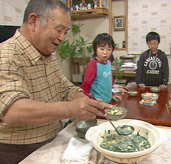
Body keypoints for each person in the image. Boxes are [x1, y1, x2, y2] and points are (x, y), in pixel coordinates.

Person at [0, 1, 112, 164]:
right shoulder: (6, 55)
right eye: (59, 30)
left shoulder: (47, 56)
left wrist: (86, 102)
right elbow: (12, 110)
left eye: (65, 32)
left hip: (54, 138)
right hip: (20, 150)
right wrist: (70, 109)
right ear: (33, 21)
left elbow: (65, 88)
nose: (62, 38)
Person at [81, 33, 122, 103]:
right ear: (95, 49)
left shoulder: (108, 63)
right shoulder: (93, 65)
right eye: (102, 49)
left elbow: (109, 83)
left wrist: (112, 94)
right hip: (98, 105)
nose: (105, 52)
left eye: (109, 49)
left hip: (108, 103)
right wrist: (92, 101)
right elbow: (85, 88)